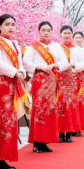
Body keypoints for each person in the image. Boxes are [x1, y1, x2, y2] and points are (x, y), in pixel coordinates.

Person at [0, 14, 27, 169]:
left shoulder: (15, 44)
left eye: (13, 24)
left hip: (11, 83)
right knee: (0, 119)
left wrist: (20, 71)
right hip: (1, 83)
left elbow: (20, 63)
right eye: (7, 24)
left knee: (9, 120)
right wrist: (15, 72)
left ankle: (2, 158)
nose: (10, 27)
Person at [23, 21, 68, 153]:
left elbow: (64, 62)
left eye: (49, 30)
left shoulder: (56, 47)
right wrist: (39, 66)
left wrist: (55, 65)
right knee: (39, 109)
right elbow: (26, 62)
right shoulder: (33, 47)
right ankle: (37, 141)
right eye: (43, 30)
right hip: (39, 80)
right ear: (39, 31)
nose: (46, 32)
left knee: (50, 109)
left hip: (52, 80)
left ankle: (45, 140)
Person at [57, 25, 82, 142]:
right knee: (61, 104)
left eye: (69, 33)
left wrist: (74, 66)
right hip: (60, 78)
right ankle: (60, 133)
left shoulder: (77, 49)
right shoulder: (57, 47)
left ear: (72, 35)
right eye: (64, 33)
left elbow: (82, 64)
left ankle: (70, 132)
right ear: (60, 34)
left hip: (72, 78)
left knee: (71, 105)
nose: (67, 35)